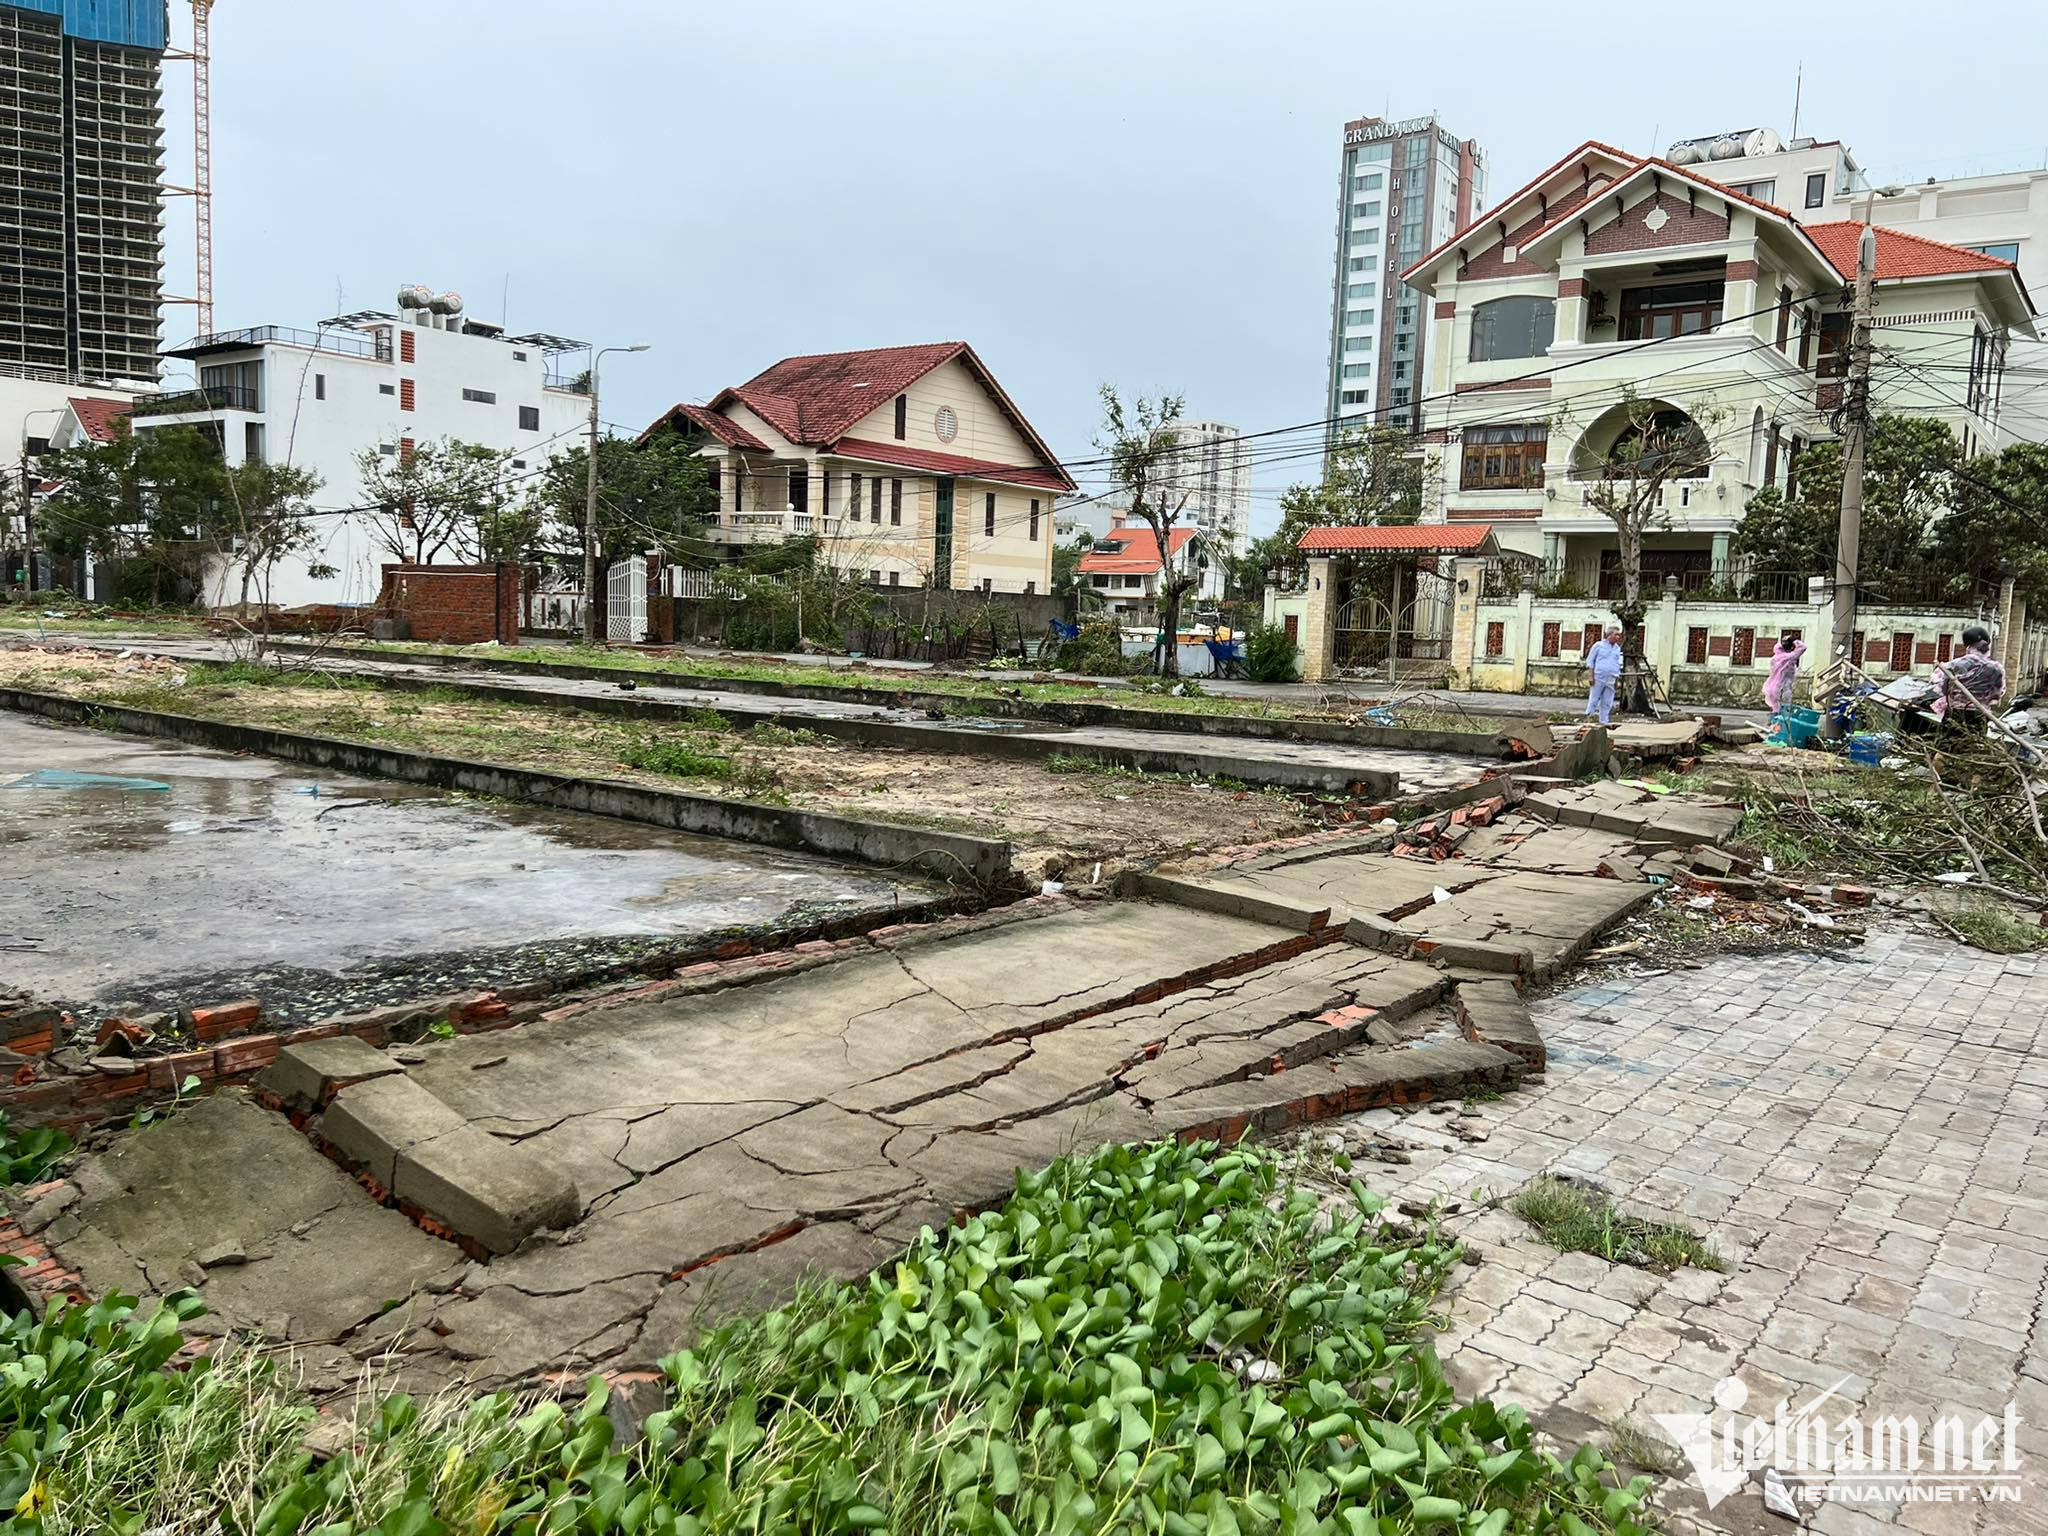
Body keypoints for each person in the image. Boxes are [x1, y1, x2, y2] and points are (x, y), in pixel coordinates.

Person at [1933, 625, 2007, 735]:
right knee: (1976, 744)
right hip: (1980, 715)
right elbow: (1999, 693)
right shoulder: (1997, 669)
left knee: (1948, 744)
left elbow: (1940, 690)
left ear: (1966, 645)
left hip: (1954, 714)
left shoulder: (1951, 666)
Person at [1585, 624, 1625, 725]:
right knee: (1594, 697)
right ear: (1609, 635)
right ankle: (1590, 717)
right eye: (1616, 635)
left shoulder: (1617, 648)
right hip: (1599, 676)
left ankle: (1604, 720)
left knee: (1608, 700)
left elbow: (1617, 663)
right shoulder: (1598, 645)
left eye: (1619, 635)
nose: (1618, 637)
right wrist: (1591, 675)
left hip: (1612, 677)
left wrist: (1617, 678)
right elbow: (1590, 660)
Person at [1763, 632, 1807, 715]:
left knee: (1776, 709)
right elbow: (1803, 647)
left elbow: (1777, 646)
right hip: (1783, 686)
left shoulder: (1775, 658)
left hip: (1772, 685)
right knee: (1785, 709)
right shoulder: (1790, 657)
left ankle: (1776, 717)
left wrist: (1784, 641)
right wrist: (1794, 641)